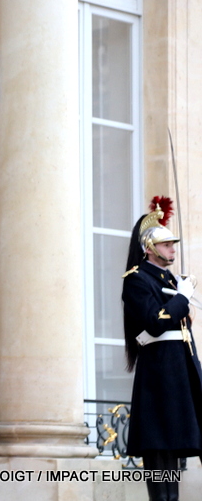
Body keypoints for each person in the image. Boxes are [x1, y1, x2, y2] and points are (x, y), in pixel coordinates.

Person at [122, 196, 202, 501]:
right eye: (167, 244)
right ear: (150, 248)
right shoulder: (137, 280)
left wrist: (180, 295)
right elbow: (156, 322)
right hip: (160, 376)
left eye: (172, 244)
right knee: (161, 450)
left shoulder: (168, 279)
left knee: (177, 445)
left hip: (181, 373)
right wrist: (181, 298)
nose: (172, 249)